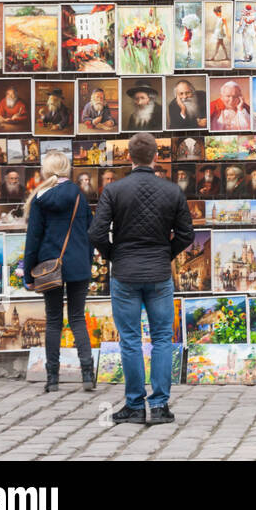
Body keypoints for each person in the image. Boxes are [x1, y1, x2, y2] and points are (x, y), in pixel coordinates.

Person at [88, 132, 193, 425]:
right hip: (159, 273)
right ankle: (159, 406)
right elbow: (186, 235)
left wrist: (114, 255)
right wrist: (166, 254)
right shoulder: (172, 191)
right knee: (162, 338)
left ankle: (134, 405)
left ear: (129, 157)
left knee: (130, 339)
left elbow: (96, 233)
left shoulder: (114, 190)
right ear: (156, 157)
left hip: (125, 273)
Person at [23, 150, 94, 392]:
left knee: (53, 321)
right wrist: (87, 262)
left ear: (46, 170)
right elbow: (91, 233)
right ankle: (87, 374)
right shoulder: (79, 196)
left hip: (49, 267)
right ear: (67, 169)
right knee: (77, 318)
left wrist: (28, 276)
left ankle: (52, 378)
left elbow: (33, 240)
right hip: (78, 266)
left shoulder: (40, 198)